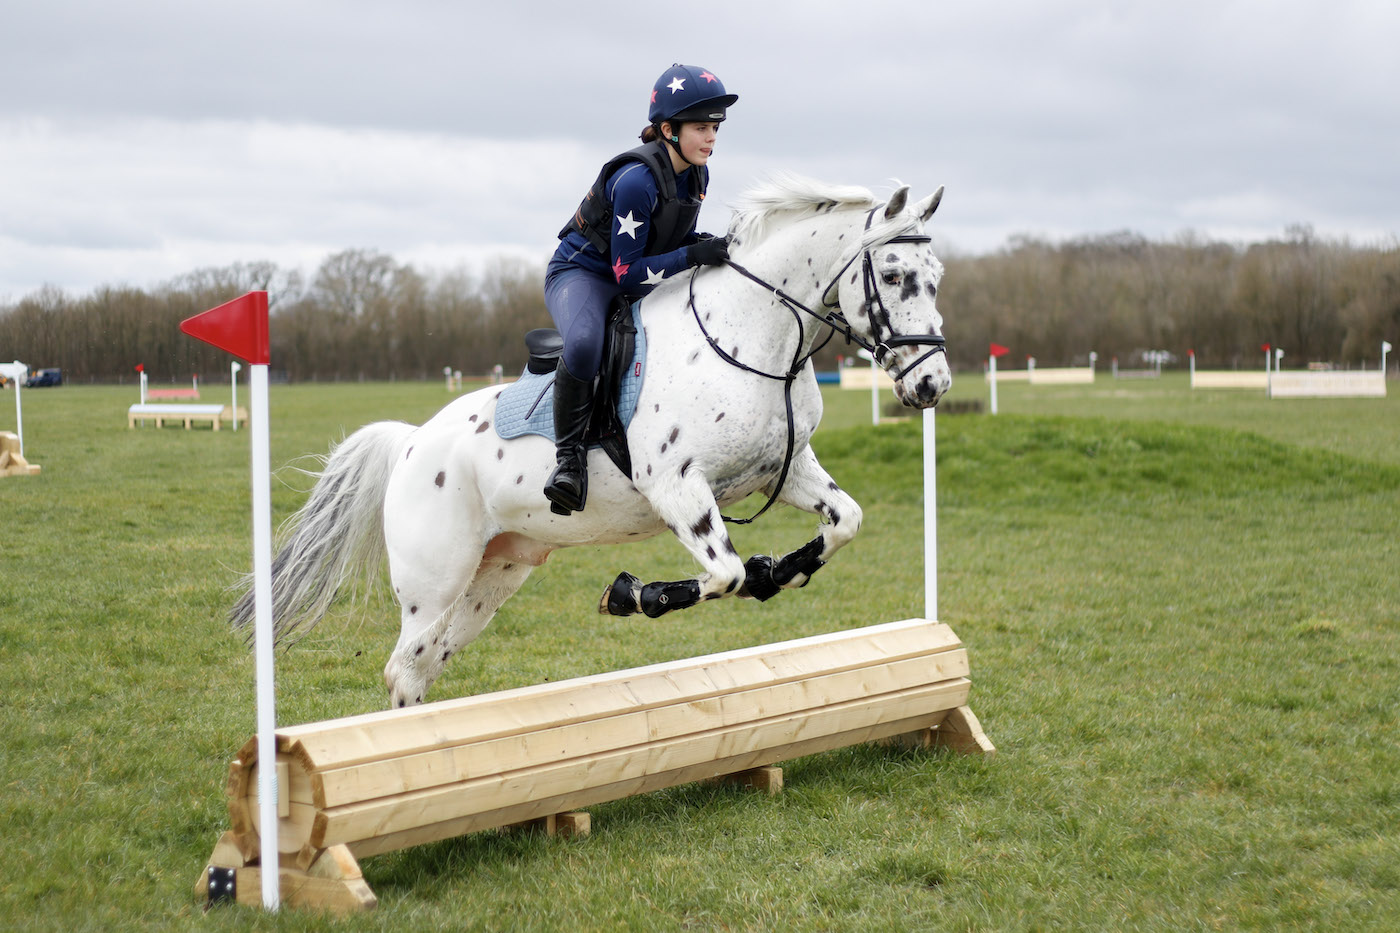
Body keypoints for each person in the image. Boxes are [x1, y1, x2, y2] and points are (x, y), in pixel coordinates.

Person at [540, 63, 738, 516]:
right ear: (668, 129)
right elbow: (628, 274)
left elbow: (666, 238)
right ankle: (568, 464)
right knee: (587, 342)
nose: (711, 138)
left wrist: (707, 245)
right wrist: (692, 257)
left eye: (714, 129)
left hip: (629, 271)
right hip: (583, 274)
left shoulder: (696, 172)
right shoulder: (636, 181)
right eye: (701, 128)